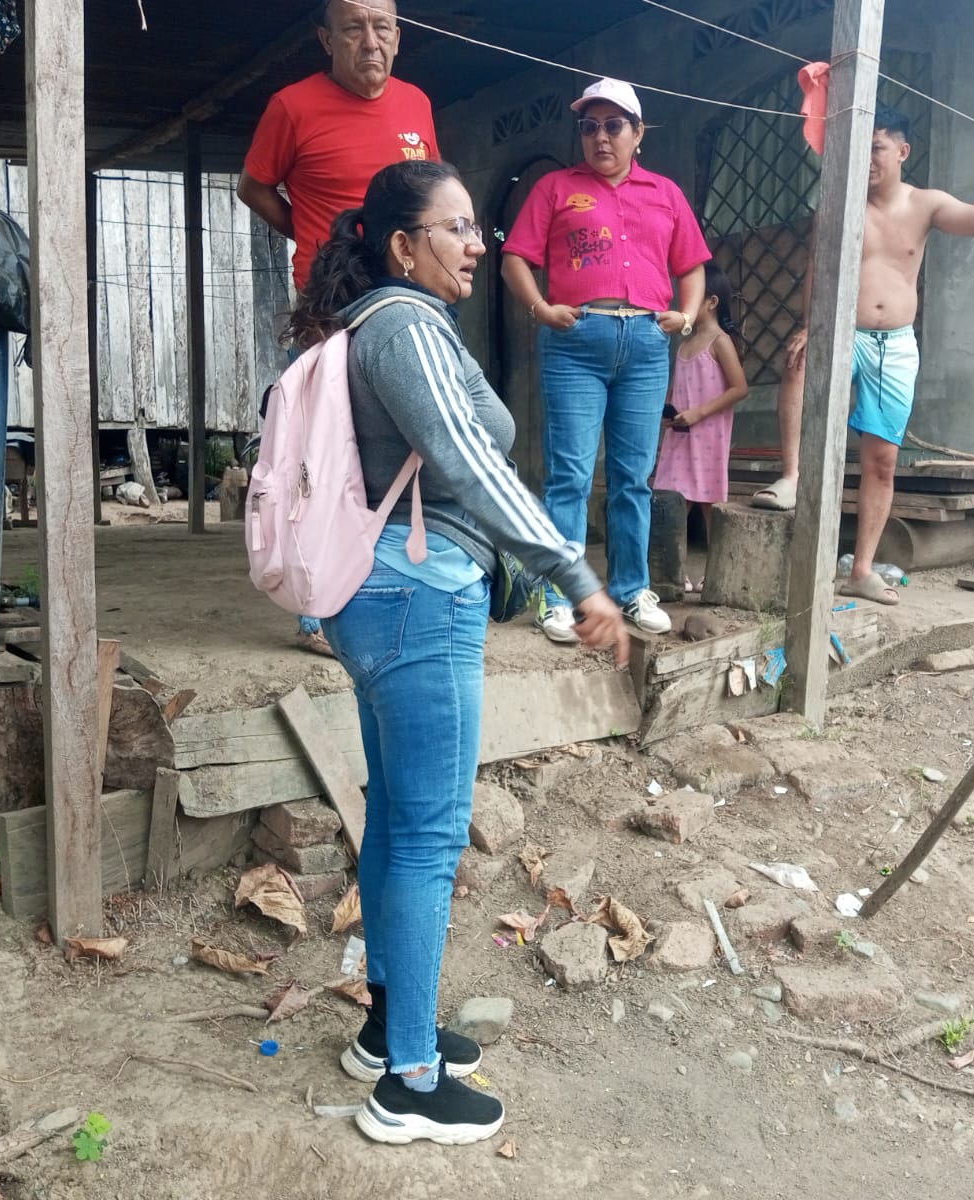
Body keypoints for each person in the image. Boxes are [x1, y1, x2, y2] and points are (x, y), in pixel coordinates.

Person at [289, 159, 630, 1145]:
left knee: (398, 820)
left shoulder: (378, 324)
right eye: (457, 227)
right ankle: (408, 1084)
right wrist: (576, 576)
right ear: (403, 245)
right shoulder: (403, 326)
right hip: (420, 598)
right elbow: (474, 465)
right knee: (430, 837)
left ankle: (387, 1029)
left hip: (389, 595)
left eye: (479, 227)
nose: (478, 244)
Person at [237, 0, 438, 656]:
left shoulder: (416, 104)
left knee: (398, 447)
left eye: (382, 27)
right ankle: (315, 608)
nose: (369, 41)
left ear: (399, 37)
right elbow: (253, 186)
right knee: (322, 454)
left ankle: (386, 582)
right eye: (354, 28)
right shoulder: (292, 106)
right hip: (330, 306)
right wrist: (312, 235)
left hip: (405, 301)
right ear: (327, 39)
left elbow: (430, 194)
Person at [750, 107, 974, 606]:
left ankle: (862, 570)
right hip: (842, 331)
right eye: (858, 149)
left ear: (901, 152)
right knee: (799, 366)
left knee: (883, 462)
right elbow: (816, 268)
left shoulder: (925, 203)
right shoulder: (839, 205)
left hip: (895, 343)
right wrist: (810, 324)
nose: (866, 159)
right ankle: (792, 476)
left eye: (875, 148)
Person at [501, 78, 711, 644]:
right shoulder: (555, 188)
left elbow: (691, 266)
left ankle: (630, 590)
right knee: (569, 475)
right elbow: (515, 258)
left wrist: (687, 315)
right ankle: (558, 596)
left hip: (645, 343)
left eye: (613, 125)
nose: (600, 137)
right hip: (576, 341)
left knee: (632, 477)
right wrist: (541, 308)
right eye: (589, 126)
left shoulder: (665, 193)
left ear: (638, 133)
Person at [651, 262, 749, 588]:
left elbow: (739, 388)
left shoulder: (720, 342)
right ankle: (672, 573)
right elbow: (676, 389)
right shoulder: (684, 344)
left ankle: (717, 574)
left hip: (708, 436)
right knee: (671, 500)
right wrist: (669, 413)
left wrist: (700, 412)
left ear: (711, 302)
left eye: (694, 295)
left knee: (709, 504)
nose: (685, 300)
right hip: (680, 435)